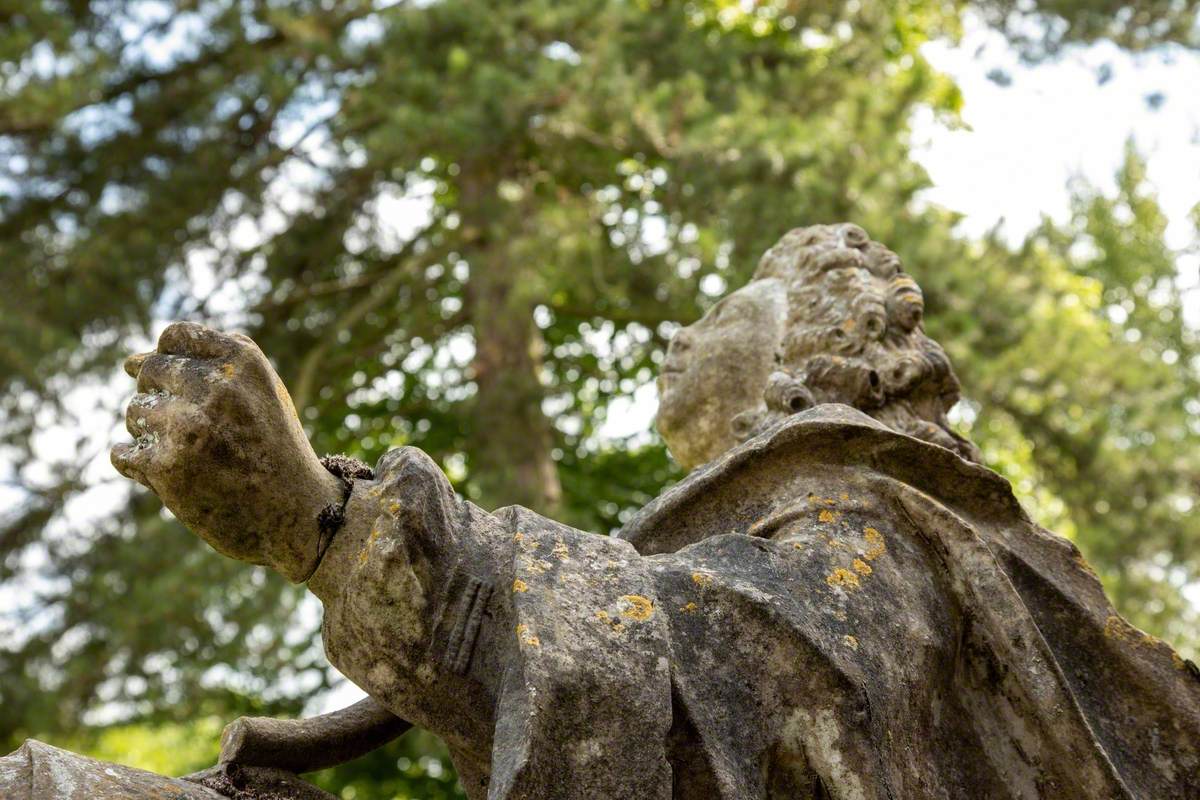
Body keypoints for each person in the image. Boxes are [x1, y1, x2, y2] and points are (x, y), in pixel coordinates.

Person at [105, 224, 1198, 799]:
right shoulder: (766, 528)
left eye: (720, 309)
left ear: (800, 362)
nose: (678, 335)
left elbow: (724, 700)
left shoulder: (882, 522)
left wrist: (327, 525)